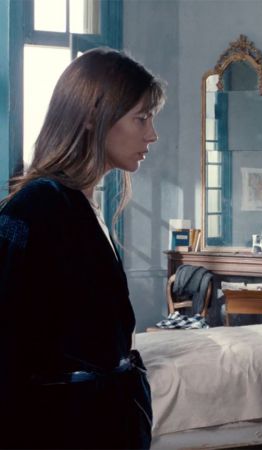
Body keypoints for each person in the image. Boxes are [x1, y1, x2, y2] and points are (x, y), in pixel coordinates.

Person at [0, 47, 165, 449]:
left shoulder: (85, 206)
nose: (152, 134)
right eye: (141, 118)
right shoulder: (37, 206)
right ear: (92, 116)